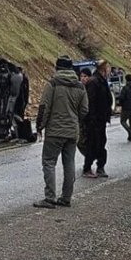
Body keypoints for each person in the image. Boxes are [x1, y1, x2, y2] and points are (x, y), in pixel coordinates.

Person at [35, 56, 89, 208]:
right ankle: (66, 197)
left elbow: (44, 107)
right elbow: (84, 110)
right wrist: (75, 120)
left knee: (49, 162)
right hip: (72, 131)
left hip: (54, 131)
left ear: (57, 68)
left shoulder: (52, 84)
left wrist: (39, 127)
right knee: (69, 163)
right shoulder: (80, 87)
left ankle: (50, 198)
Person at [82, 60, 113, 178]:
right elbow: (91, 102)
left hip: (101, 119)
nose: (109, 71)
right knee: (92, 144)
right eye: (108, 68)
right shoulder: (94, 82)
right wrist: (92, 119)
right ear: (103, 69)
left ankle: (100, 166)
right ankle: (87, 168)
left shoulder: (101, 81)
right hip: (94, 121)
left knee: (100, 144)